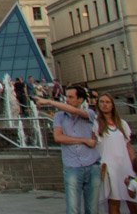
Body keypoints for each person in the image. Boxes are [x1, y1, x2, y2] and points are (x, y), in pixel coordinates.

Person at [38, 86, 100, 214]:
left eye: (71, 97)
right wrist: (84, 140)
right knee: (72, 208)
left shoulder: (90, 113)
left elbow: (75, 111)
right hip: (72, 166)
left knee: (93, 209)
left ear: (80, 99)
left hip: (92, 165)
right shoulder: (59, 116)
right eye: (66, 97)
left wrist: (49, 101)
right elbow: (58, 137)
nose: (67, 100)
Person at [96, 93, 134, 214]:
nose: (104, 104)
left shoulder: (122, 123)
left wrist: (135, 163)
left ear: (112, 105)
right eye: (101, 102)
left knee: (133, 200)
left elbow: (128, 146)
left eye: (107, 102)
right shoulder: (96, 124)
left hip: (125, 166)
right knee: (114, 200)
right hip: (109, 167)